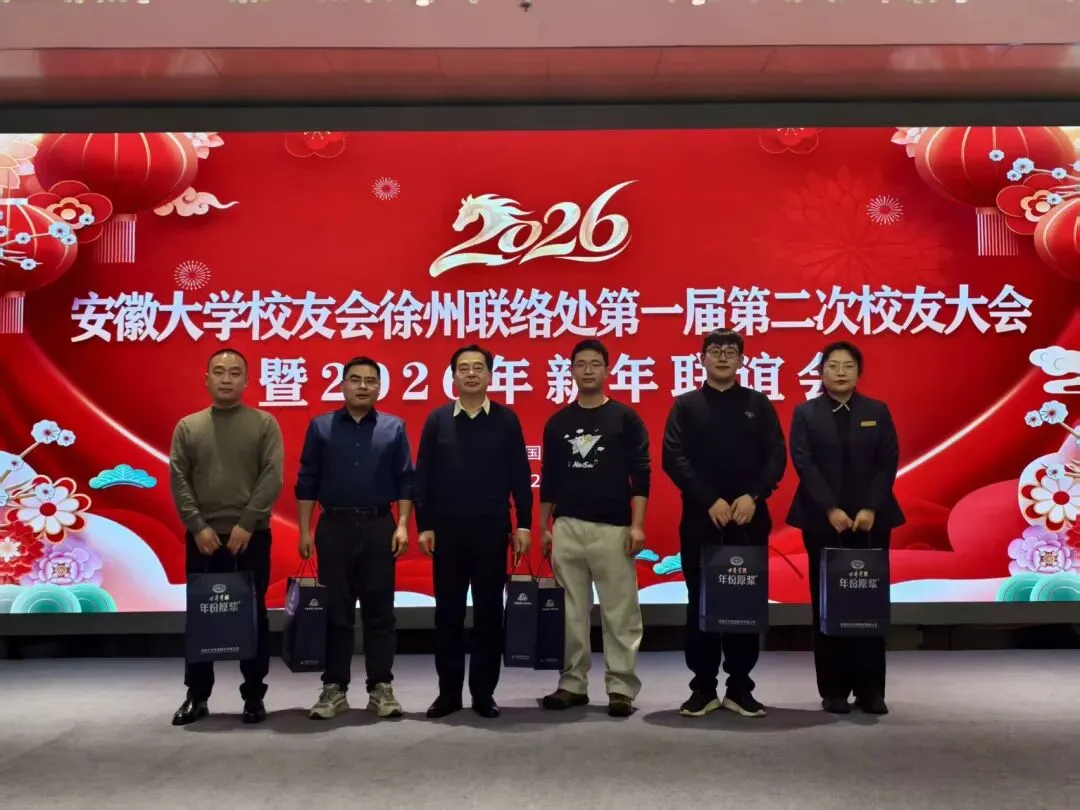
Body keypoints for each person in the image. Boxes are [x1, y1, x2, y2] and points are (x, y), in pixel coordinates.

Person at [661, 329, 786, 719]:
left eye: (730, 351)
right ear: (702, 359)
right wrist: (708, 500)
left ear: (741, 360)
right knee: (699, 603)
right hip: (701, 522)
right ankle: (702, 688)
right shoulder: (686, 406)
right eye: (714, 351)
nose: (722, 357)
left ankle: (740, 687)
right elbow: (673, 457)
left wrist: (754, 495)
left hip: (748, 520)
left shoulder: (758, 404)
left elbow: (776, 456)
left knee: (743, 603)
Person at [414, 344, 532, 720]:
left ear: (489, 375)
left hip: (491, 530)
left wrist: (524, 524)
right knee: (447, 615)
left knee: (488, 613)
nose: (470, 373)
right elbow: (423, 477)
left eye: (478, 368)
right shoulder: (437, 420)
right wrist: (424, 525)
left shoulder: (506, 420)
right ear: (453, 376)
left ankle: (483, 693)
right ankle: (448, 694)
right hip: (447, 531)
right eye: (463, 368)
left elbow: (520, 475)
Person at [169, 348, 284, 726]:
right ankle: (197, 695)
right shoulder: (188, 426)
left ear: (247, 381)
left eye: (235, 372)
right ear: (206, 378)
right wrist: (197, 526)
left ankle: (254, 696)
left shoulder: (264, 423)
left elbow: (272, 475)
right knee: (201, 616)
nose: (226, 378)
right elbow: (179, 479)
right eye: (219, 371)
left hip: (251, 536)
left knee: (253, 616)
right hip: (202, 537)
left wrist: (247, 523)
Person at [787, 341, 903, 716]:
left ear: (858, 372)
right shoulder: (806, 413)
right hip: (821, 521)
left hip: (873, 521)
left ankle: (871, 690)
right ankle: (833, 689)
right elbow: (804, 464)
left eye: (848, 366)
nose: (840, 372)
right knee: (827, 602)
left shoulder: (876, 411)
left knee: (868, 602)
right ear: (820, 371)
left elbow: (888, 462)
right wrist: (830, 508)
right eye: (833, 365)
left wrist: (870, 506)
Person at [295, 356, 414, 720]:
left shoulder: (393, 427)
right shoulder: (321, 427)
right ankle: (334, 688)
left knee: (380, 612)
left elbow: (405, 480)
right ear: (342, 385)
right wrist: (305, 530)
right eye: (355, 379)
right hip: (334, 527)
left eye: (370, 380)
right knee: (336, 611)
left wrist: (403, 524)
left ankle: (381, 687)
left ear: (379, 387)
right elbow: (307, 480)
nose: (363, 386)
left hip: (380, 526)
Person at [538, 339, 650, 718]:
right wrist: (543, 527)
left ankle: (621, 687)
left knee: (620, 612)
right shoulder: (558, 423)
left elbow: (641, 475)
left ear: (607, 370)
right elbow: (549, 479)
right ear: (570, 371)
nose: (587, 370)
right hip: (567, 526)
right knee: (570, 613)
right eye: (581, 364)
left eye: (595, 364)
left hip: (613, 528)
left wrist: (637, 525)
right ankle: (572, 683)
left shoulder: (624, 418)